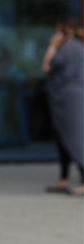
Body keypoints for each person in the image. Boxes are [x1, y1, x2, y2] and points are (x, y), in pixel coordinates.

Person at [42, 17, 84, 196]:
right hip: (69, 98)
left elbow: (47, 66)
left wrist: (52, 46)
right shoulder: (78, 47)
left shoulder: (68, 48)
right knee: (64, 138)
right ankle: (63, 178)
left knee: (75, 138)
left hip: (69, 99)